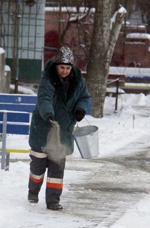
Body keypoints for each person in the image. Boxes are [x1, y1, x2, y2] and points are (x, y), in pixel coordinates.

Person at [27, 46, 91, 211]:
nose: (64, 71)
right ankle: (33, 191)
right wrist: (48, 114)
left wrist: (80, 109)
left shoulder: (78, 82)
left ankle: (53, 201)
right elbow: (44, 98)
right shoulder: (48, 80)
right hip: (43, 128)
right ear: (56, 66)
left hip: (63, 130)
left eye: (67, 68)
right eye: (62, 67)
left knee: (57, 168)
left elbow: (84, 97)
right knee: (38, 167)